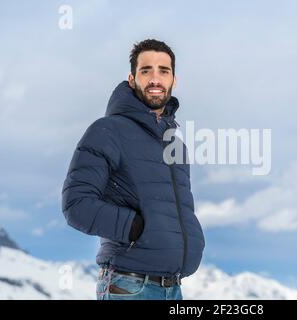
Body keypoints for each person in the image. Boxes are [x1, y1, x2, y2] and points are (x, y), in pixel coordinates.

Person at [61, 39, 205, 300]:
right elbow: (76, 204)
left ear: (174, 80)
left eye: (163, 70)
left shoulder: (176, 145)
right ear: (131, 78)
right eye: (146, 70)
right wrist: (135, 228)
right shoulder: (108, 131)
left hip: (173, 288)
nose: (155, 78)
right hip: (129, 287)